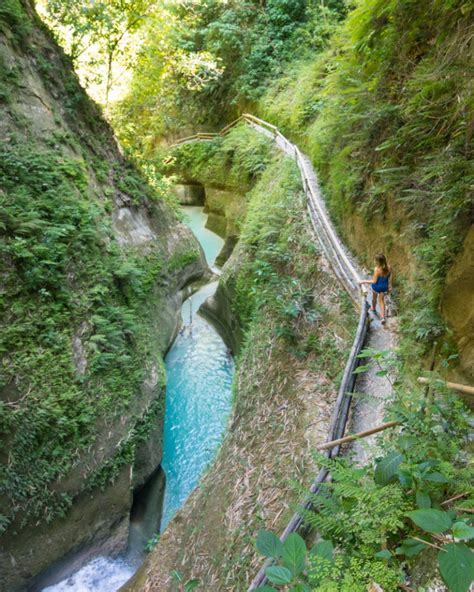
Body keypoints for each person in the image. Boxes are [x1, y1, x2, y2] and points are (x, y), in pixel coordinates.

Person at [359, 254, 392, 324]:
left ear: (378, 262)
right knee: (381, 301)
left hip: (377, 287)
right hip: (384, 287)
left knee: (374, 298)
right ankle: (383, 317)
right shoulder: (389, 267)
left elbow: (374, 281)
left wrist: (363, 281)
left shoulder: (377, 269)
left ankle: (373, 308)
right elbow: (390, 277)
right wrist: (389, 285)